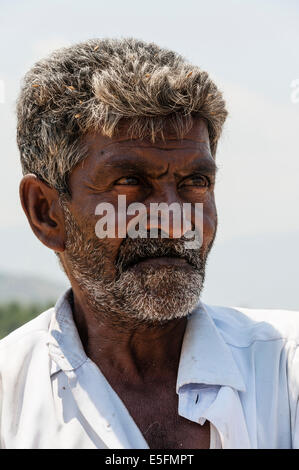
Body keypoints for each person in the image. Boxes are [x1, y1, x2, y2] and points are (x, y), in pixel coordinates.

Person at [0, 37, 298, 449]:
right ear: (46, 212)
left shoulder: (287, 369)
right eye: (129, 183)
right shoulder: (8, 402)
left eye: (195, 182)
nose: (175, 225)